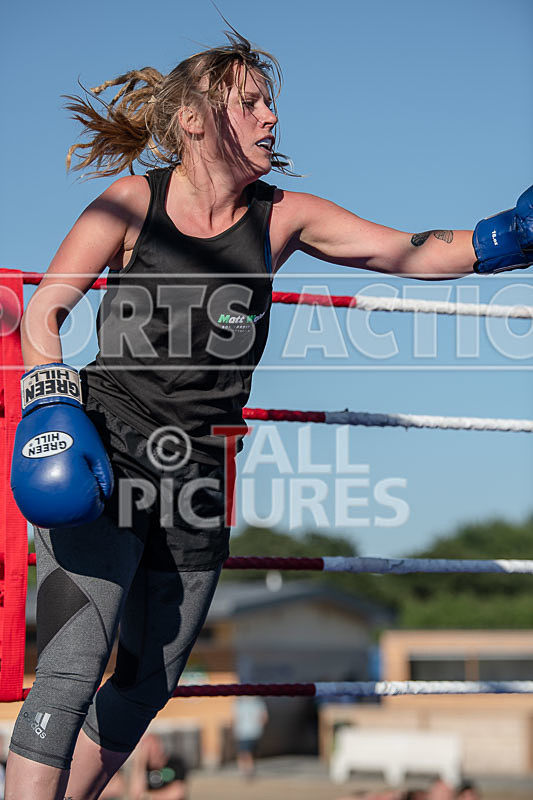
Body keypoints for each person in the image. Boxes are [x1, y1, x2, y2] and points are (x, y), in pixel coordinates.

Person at [6, 23, 532, 800]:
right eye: (250, 102)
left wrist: (508, 236)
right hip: (103, 450)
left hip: (198, 477)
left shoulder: (280, 216)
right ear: (194, 119)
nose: (270, 118)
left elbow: (404, 251)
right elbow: (48, 305)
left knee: (147, 682)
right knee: (69, 670)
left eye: (269, 104)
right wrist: (49, 400)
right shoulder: (131, 202)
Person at [232, 695, 268, 778]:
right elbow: (264, 717)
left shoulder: (240, 703)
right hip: (249, 731)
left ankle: (247, 770)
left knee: (245, 752)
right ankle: (247, 770)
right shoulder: (256, 702)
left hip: (246, 731)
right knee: (246, 752)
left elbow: (264, 717)